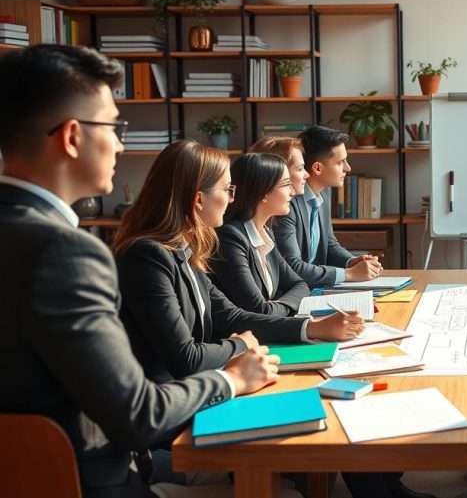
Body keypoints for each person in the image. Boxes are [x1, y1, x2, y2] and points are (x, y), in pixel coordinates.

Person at [0, 45, 280, 498]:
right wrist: (232, 378)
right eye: (113, 126)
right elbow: (138, 413)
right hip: (82, 481)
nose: (121, 143)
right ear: (72, 137)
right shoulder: (65, 253)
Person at [114, 140, 362, 386]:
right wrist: (241, 344)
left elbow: (232, 317)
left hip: (201, 384)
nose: (232, 199)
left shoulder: (186, 251)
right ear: (199, 199)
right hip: (174, 402)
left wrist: (310, 328)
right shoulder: (148, 257)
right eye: (226, 190)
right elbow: (185, 357)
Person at [273, 125, 382, 288]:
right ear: (317, 168)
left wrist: (352, 261)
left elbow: (329, 245)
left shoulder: (323, 193)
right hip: (295, 293)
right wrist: (349, 274)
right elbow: (292, 266)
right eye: (340, 162)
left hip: (317, 287)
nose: (348, 168)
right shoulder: (287, 204)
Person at [209, 153, 310, 316]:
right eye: (286, 184)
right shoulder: (230, 238)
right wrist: (284, 306)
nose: (292, 192)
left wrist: (275, 307)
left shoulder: (265, 233)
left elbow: (300, 285)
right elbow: (258, 310)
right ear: (263, 192)